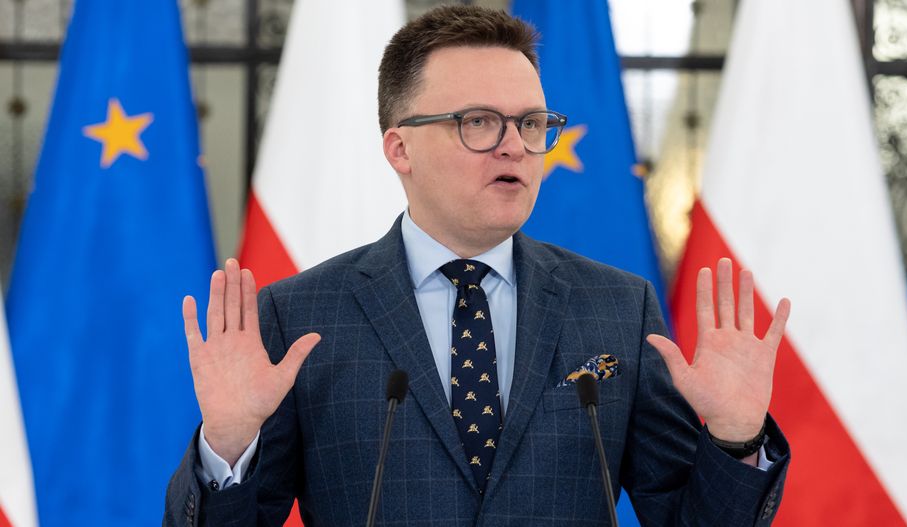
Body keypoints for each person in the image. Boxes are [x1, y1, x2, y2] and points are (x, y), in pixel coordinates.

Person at [164, 5, 791, 526]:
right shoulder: (301, 314)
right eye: (480, 122)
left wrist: (735, 439)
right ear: (400, 147)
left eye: (531, 122)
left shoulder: (616, 308)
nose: (516, 144)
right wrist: (227, 448)